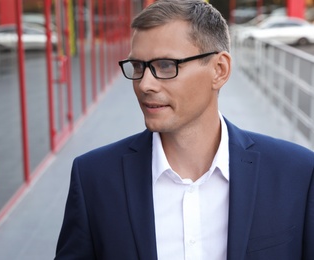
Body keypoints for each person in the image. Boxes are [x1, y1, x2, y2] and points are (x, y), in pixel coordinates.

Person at [55, 0, 314, 259]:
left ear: (219, 70)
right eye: (137, 67)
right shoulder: (93, 178)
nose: (145, 84)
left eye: (166, 65)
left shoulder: (297, 173)